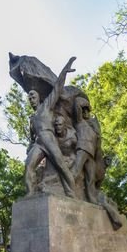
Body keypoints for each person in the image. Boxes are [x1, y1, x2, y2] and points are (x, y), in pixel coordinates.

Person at [25, 57, 76, 198]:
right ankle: (30, 193)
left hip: (49, 138)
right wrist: (30, 147)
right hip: (38, 144)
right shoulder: (32, 118)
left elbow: (57, 88)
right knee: (28, 166)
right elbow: (31, 138)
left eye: (33, 96)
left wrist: (64, 71)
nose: (31, 99)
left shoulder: (46, 106)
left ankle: (72, 193)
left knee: (62, 167)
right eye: (29, 97)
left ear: (39, 98)